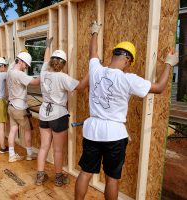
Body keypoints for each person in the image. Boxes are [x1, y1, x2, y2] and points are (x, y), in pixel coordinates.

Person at [74, 21, 179, 200]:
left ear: (114, 54)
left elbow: (93, 53)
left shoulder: (96, 69)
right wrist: (169, 63)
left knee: (85, 173)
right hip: (114, 134)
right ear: (128, 60)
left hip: (92, 131)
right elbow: (160, 87)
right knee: (112, 179)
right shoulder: (128, 79)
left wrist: (94, 32)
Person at [35, 38, 89, 187]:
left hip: (44, 113)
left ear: (52, 61)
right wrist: (93, 69)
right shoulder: (63, 77)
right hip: (58, 115)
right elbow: (82, 86)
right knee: (58, 150)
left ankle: (40, 176)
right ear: (63, 64)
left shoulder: (43, 72)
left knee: (44, 146)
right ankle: (58, 178)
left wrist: (47, 46)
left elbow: (45, 60)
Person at [7, 51, 40, 162]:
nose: (26, 67)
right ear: (20, 61)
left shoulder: (10, 71)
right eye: (25, 64)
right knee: (27, 131)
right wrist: (45, 74)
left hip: (11, 106)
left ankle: (12, 155)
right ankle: (30, 154)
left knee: (13, 130)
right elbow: (35, 82)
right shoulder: (19, 74)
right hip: (19, 108)